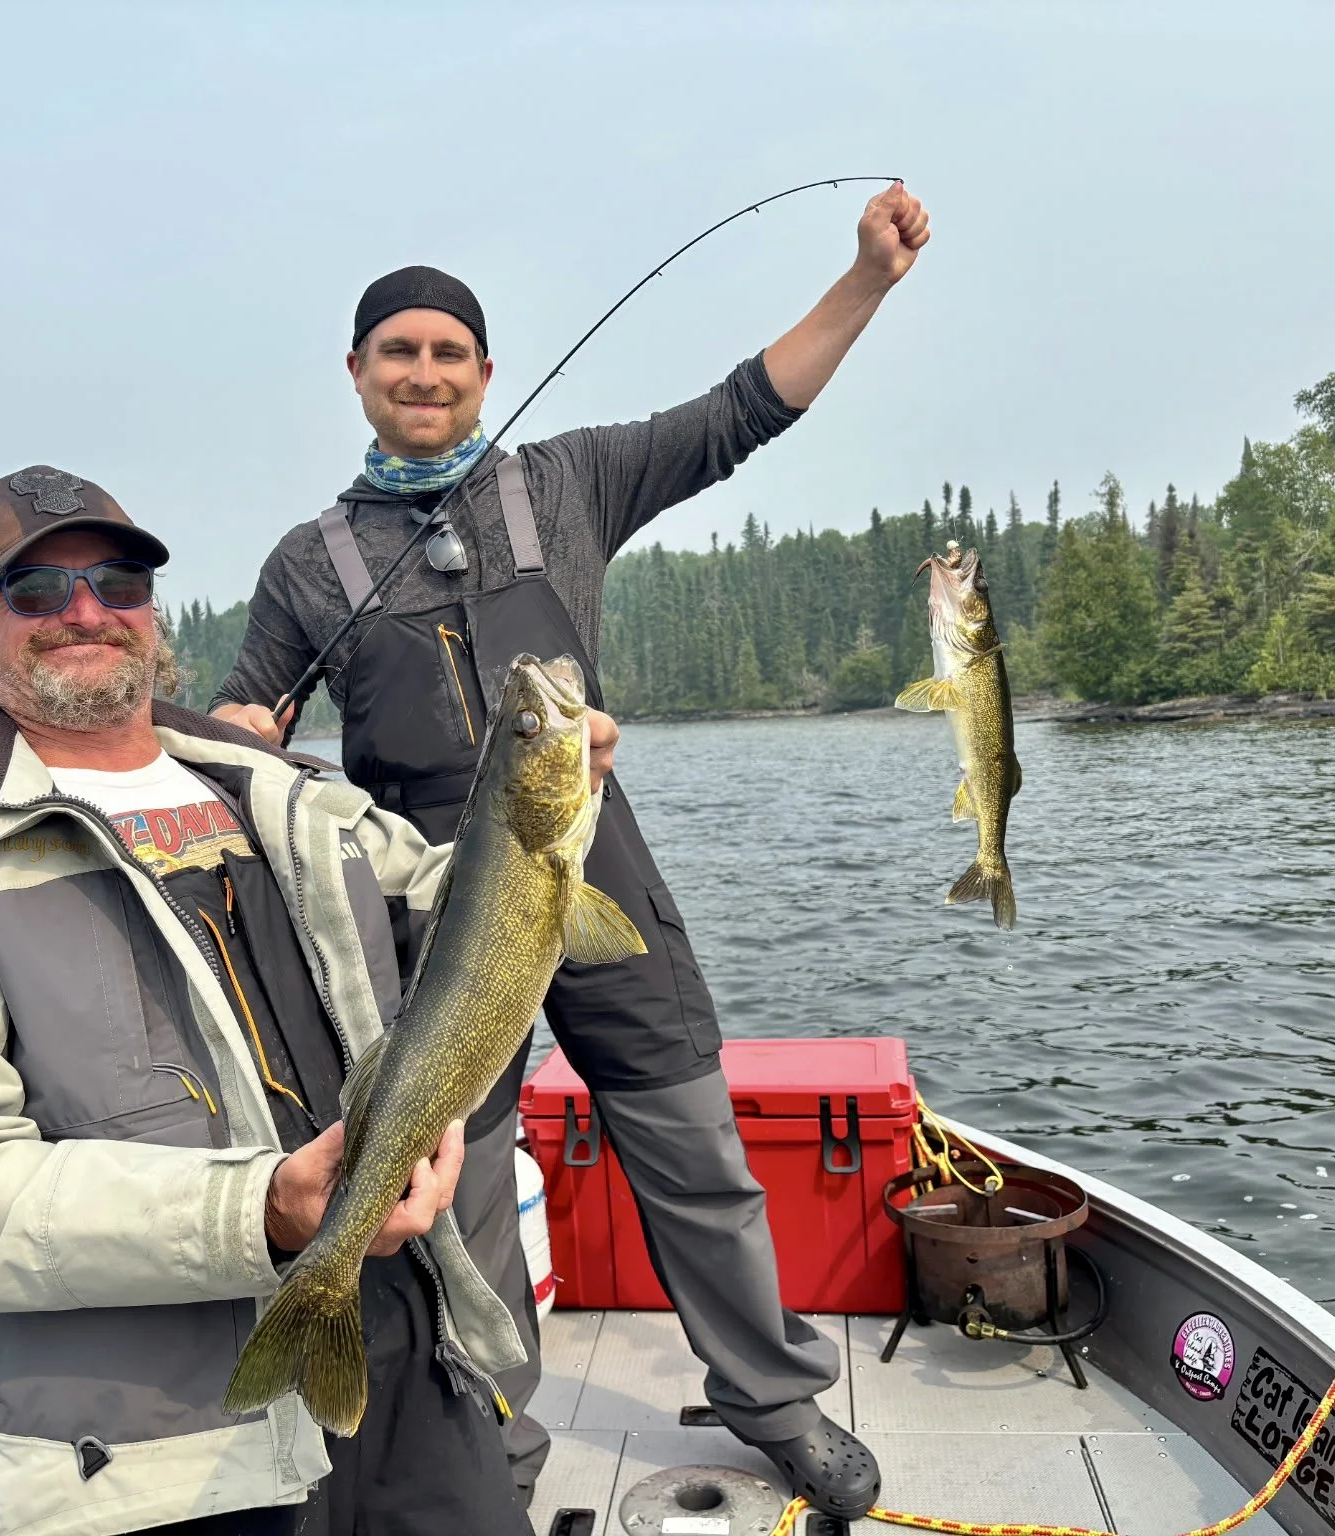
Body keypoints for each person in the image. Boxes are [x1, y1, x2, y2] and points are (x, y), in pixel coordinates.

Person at [210, 183, 930, 1520]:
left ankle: (773, 1402)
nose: (424, 373)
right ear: (359, 374)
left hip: (590, 877)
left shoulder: (567, 480)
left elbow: (741, 412)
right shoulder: (309, 564)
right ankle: (500, 1451)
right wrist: (234, 743)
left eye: (448, 352)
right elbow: (250, 735)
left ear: (486, 375)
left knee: (696, 1153)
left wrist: (866, 282)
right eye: (398, 352)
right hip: (424, 929)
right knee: (460, 1211)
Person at [0, 466, 617, 1536]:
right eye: (36, 590)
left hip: (407, 1360)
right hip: (154, 1460)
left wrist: (566, 785)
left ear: (154, 611)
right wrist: (264, 1210)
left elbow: (468, 909)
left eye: (119, 580)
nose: (86, 610)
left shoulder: (274, 788)